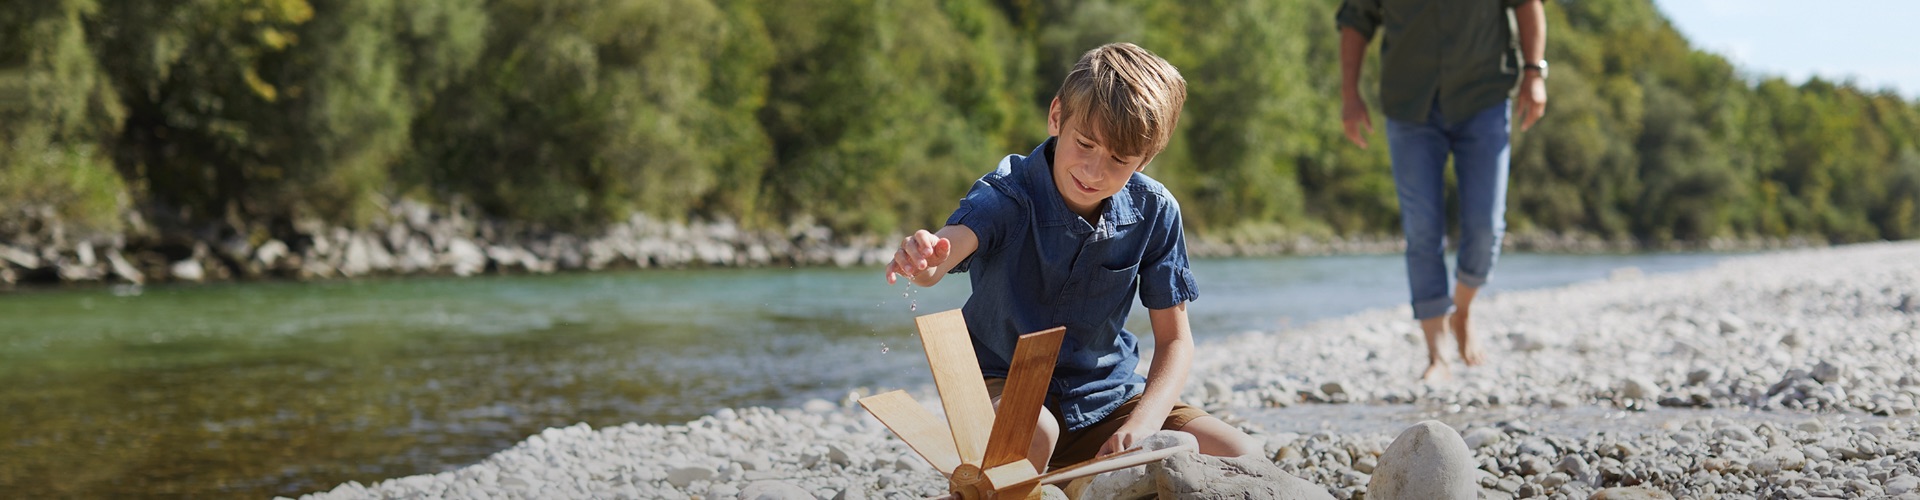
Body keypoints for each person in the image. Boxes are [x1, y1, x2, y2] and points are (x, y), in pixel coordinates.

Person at [883, 42, 1262, 472]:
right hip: (997, 386)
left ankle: (1075, 480)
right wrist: (925, 258)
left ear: (1147, 158)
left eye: (1119, 159)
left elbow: (1175, 340)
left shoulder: (1156, 211)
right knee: (1038, 433)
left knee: (1241, 455)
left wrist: (1142, 424)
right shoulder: (1007, 195)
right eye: (1084, 144)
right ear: (1057, 116)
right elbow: (944, 255)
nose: (1094, 170)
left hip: (1106, 399)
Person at [1336, 0, 1549, 380]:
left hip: (1483, 98)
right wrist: (1350, 95)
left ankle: (1463, 311)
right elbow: (1355, 18)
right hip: (1409, 104)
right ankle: (1438, 355)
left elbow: (1527, 4)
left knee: (1486, 225)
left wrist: (1534, 72)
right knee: (1422, 230)